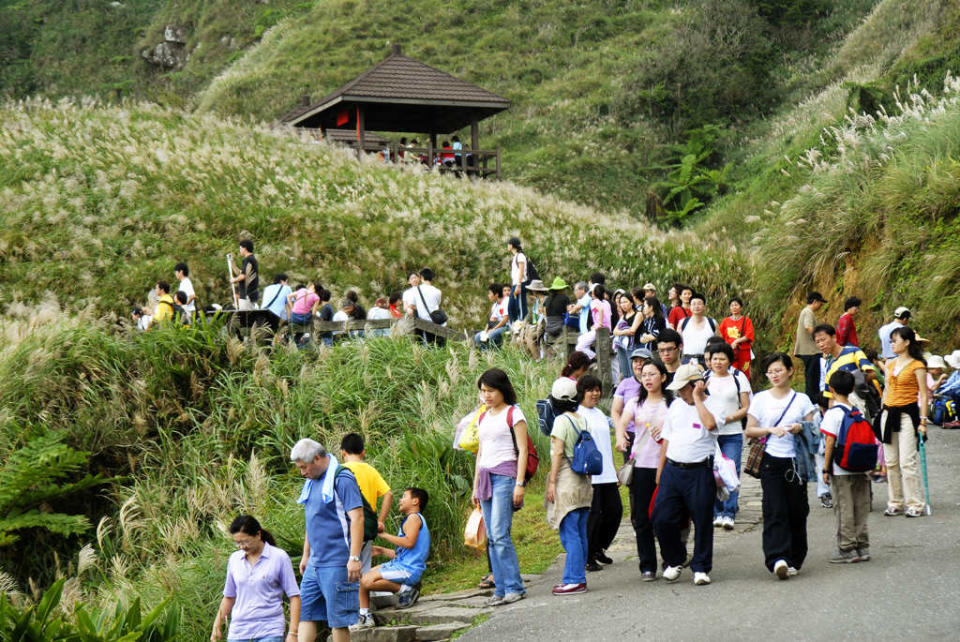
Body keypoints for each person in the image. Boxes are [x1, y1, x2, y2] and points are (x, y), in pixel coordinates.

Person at [745, 353, 819, 579]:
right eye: (770, 372)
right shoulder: (760, 398)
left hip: (796, 462)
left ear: (789, 371)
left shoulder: (802, 399)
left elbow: (814, 431)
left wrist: (800, 427)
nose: (774, 375)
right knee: (774, 509)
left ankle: (795, 557)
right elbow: (750, 430)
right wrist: (769, 430)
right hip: (771, 460)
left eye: (778, 370)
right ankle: (777, 558)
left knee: (797, 510)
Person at [290, 438, 364, 642]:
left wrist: (355, 558)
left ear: (317, 458)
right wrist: (306, 555)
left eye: (304, 467)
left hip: (338, 561)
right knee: (306, 613)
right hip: (315, 562)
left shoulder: (342, 479)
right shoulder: (310, 482)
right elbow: (311, 519)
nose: (302, 472)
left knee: (337, 621)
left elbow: (357, 517)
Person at [653, 363, 718, 585]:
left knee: (702, 519)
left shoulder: (711, 405)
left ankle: (701, 566)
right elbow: (667, 439)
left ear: (697, 385)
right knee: (661, 518)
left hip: (699, 470)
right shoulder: (676, 406)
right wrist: (660, 471)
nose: (680, 393)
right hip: (673, 469)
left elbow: (710, 425)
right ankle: (676, 558)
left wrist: (698, 398)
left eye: (684, 388)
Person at [471, 369, 528, 606]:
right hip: (484, 476)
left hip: (505, 476)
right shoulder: (483, 416)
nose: (487, 395)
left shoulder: (514, 414)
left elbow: (523, 450)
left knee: (500, 533)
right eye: (483, 391)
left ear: (502, 389)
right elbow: (480, 452)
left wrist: (519, 484)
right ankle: (501, 589)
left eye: (491, 391)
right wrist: (475, 486)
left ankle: (515, 586)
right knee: (492, 537)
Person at [617, 358, 671, 581]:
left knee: (666, 516)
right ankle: (647, 565)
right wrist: (620, 436)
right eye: (644, 374)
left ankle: (670, 559)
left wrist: (667, 427)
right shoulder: (635, 404)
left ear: (663, 377)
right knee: (641, 518)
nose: (647, 378)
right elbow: (622, 422)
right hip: (641, 467)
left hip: (667, 466)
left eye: (652, 374)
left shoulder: (672, 404)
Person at [211, 515, 300, 642]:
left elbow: (294, 596)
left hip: (269, 630)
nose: (242, 547)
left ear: (258, 535)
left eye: (245, 541)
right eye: (238, 543)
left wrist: (293, 633)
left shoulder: (279, 557)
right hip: (238, 632)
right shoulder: (234, 559)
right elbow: (229, 596)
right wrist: (217, 626)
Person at [353, 488, 430, 629]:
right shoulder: (411, 519)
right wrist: (381, 550)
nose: (400, 500)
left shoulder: (414, 518)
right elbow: (403, 553)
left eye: (404, 496)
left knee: (366, 581)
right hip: (402, 565)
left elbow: (409, 542)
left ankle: (406, 591)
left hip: (409, 570)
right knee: (364, 577)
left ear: (415, 501)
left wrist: (384, 535)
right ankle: (364, 615)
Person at [545, 377, 594, 595]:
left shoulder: (561, 421)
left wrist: (552, 482)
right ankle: (578, 578)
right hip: (584, 482)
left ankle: (574, 579)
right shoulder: (582, 419)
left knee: (570, 533)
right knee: (580, 532)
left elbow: (558, 452)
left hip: (567, 481)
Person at [821, 371, 872, 564]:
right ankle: (863, 546)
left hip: (841, 467)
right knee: (861, 506)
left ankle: (847, 548)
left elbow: (829, 442)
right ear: (852, 389)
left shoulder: (833, 413)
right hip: (861, 466)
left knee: (844, 507)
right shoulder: (858, 410)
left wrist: (826, 469)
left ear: (831, 389)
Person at [880, 326, 928, 518]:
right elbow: (886, 390)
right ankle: (895, 501)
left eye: (895, 340)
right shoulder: (890, 364)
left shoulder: (918, 366)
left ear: (907, 342)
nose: (892, 344)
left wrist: (923, 421)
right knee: (890, 461)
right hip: (888, 413)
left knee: (907, 461)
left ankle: (915, 503)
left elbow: (924, 395)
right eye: (891, 341)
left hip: (908, 414)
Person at [578, 375, 622, 572]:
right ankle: (588, 556)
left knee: (614, 512)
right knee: (594, 516)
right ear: (581, 392)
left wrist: (614, 467)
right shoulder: (577, 414)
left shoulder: (599, 414)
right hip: (591, 474)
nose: (595, 394)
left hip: (607, 472)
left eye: (597, 390)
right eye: (590, 390)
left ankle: (599, 547)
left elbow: (606, 444)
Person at [706, 342, 751, 530]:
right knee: (712, 473)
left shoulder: (738, 377)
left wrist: (731, 418)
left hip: (732, 432)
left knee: (730, 471)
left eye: (722, 358)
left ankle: (729, 512)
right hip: (710, 434)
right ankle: (716, 512)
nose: (718, 362)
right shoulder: (704, 378)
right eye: (714, 358)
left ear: (729, 360)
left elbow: (747, 406)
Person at [340, 433, 393, 575]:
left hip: (347, 528)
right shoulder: (371, 470)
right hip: (367, 526)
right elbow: (389, 494)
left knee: (345, 571)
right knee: (364, 571)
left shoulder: (340, 472)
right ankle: (364, 597)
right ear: (363, 452)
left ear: (343, 452)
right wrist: (380, 521)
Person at [610, 348, 652, 464]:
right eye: (635, 361)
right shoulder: (625, 384)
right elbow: (615, 411)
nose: (638, 364)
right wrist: (620, 430)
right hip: (630, 434)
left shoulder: (655, 384)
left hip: (649, 433)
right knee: (630, 472)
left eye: (642, 361)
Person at [794, 292, 827, 405]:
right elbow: (808, 327)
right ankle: (812, 402)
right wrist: (820, 340)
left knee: (811, 377)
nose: (820, 306)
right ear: (815, 302)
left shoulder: (806, 311)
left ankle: (812, 401)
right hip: (810, 351)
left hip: (809, 350)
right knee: (813, 378)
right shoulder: (808, 312)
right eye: (820, 303)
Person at [718, 297, 755, 376]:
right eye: (732, 305)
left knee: (744, 373)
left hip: (743, 351)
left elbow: (749, 335)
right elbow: (720, 336)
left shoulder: (747, 320)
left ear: (741, 307)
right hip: (729, 352)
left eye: (736, 305)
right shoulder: (725, 321)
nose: (734, 307)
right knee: (731, 373)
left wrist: (737, 341)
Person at [678, 293, 716, 365]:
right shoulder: (683, 323)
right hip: (687, 360)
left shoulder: (712, 323)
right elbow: (677, 342)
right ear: (690, 306)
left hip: (707, 361)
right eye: (694, 304)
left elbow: (719, 342)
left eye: (699, 304)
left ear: (704, 306)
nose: (696, 306)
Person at [575, 285, 611, 360]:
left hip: (598, 329)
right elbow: (609, 315)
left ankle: (595, 356)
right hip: (607, 329)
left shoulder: (594, 302)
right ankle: (590, 357)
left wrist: (599, 324)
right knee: (580, 339)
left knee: (579, 347)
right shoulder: (607, 303)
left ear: (593, 294)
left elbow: (600, 310)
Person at [613, 292, 638, 383]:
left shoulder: (637, 314)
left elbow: (632, 331)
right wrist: (624, 332)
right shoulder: (623, 316)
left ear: (631, 302)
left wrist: (621, 332)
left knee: (632, 370)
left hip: (632, 345)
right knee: (624, 370)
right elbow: (615, 331)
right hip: (621, 345)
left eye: (625, 302)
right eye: (621, 302)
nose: (623, 305)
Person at [475, 283, 509, 349]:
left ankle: (494, 353)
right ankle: (486, 355)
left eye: (490, 293)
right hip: (497, 327)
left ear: (496, 294)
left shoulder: (506, 301)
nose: (488, 296)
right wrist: (485, 331)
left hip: (507, 326)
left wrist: (493, 329)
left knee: (492, 335)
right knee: (478, 337)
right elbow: (490, 321)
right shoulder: (495, 305)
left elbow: (506, 319)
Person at [231, 240, 260, 310]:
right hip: (248, 294)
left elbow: (243, 276)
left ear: (245, 248)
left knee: (246, 316)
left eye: (240, 248)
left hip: (247, 293)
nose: (240, 250)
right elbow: (240, 273)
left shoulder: (248, 259)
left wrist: (234, 280)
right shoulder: (250, 259)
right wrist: (232, 263)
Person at [507, 238, 528, 323]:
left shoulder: (520, 256)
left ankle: (523, 325)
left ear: (512, 245)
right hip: (515, 284)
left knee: (521, 307)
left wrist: (519, 285)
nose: (507, 246)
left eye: (508, 244)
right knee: (511, 307)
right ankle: (515, 326)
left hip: (520, 284)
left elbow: (521, 270)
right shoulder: (516, 256)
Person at [543, 277, 571, 342]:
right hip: (560, 327)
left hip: (549, 328)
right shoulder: (564, 298)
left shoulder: (547, 299)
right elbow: (570, 312)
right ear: (561, 289)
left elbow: (545, 313)